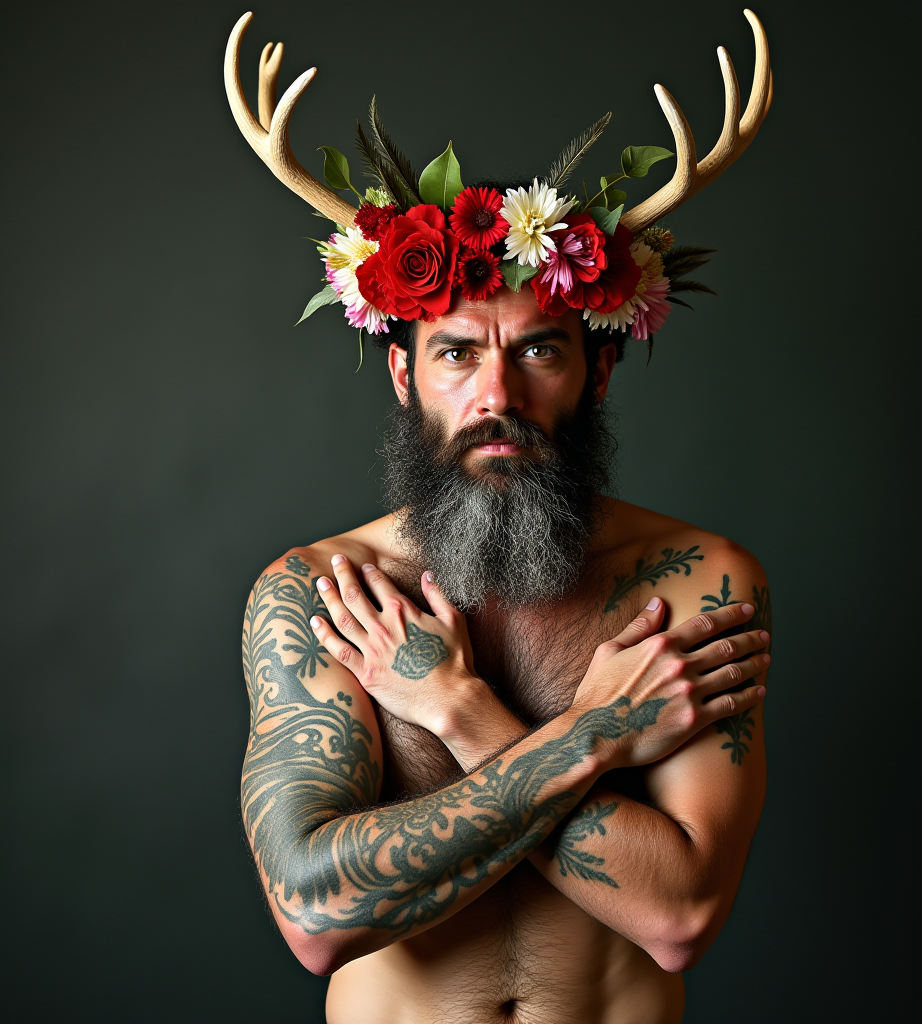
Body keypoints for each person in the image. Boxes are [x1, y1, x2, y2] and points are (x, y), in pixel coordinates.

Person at [227, 10, 774, 1022]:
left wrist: (459, 715)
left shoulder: (697, 582)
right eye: (455, 353)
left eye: (538, 350)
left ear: (597, 369)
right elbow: (315, 914)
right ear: (403, 372)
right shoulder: (322, 596)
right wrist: (598, 733)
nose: (496, 397)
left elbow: (681, 916)